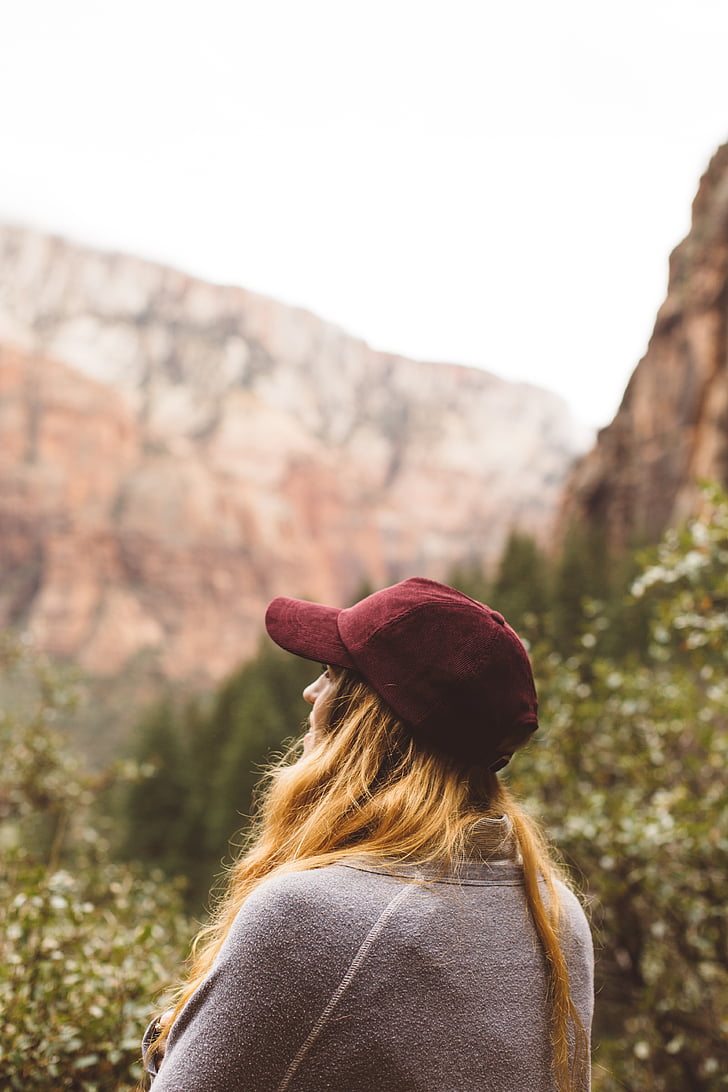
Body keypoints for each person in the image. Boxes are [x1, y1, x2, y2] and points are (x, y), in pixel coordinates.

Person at [143, 577, 594, 1091]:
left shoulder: (307, 916)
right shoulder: (556, 914)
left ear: (366, 719)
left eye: (331, 673)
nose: (310, 691)